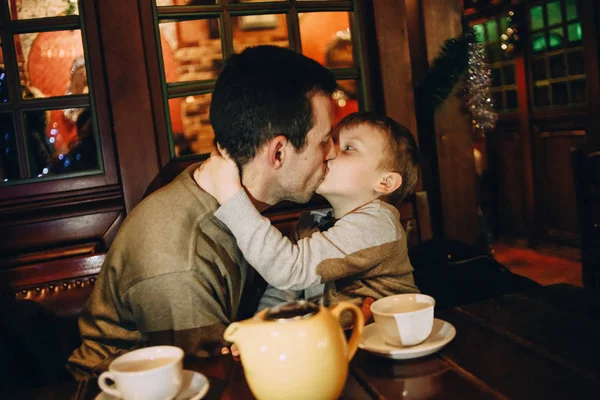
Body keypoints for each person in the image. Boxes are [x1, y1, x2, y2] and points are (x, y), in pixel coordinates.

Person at [67, 45, 337, 378]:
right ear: (278, 153)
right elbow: (213, 380)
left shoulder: (225, 194)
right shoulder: (181, 257)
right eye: (325, 140)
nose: (333, 151)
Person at [196, 112, 421, 329]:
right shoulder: (312, 224)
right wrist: (262, 328)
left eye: (349, 148)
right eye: (330, 142)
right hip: (341, 348)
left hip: (394, 348)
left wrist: (231, 195)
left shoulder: (378, 224)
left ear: (386, 182)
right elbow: (283, 290)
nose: (330, 152)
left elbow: (290, 269)